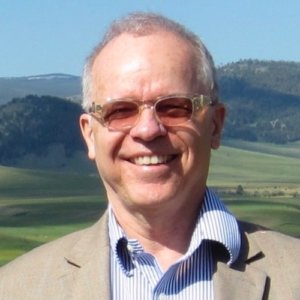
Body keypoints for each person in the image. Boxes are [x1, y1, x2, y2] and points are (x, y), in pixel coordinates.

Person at [0, 12, 299, 300]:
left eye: (174, 107)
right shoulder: (15, 289)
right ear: (90, 135)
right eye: (120, 111)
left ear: (216, 125)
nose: (147, 130)